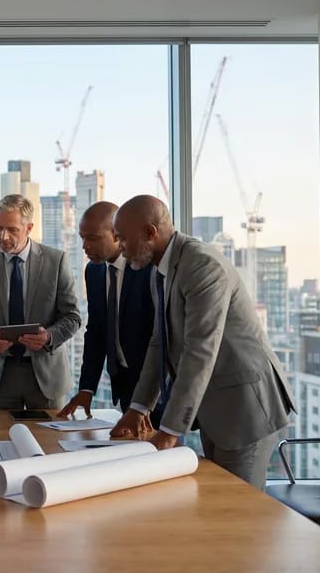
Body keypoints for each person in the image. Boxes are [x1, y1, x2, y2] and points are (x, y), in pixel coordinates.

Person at [109, 195, 296, 489]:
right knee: (219, 501)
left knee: (236, 506)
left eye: (122, 238)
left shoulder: (202, 265)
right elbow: (159, 342)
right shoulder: (160, 269)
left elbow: (199, 351)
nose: (119, 246)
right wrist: (138, 408)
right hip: (216, 408)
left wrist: (169, 431)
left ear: (149, 233)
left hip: (245, 409)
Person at [0, 194, 81, 409]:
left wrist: (49, 337)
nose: (3, 236)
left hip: (47, 375)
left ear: (29, 228)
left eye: (12, 230)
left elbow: (72, 317)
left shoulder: (56, 261)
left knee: (49, 433)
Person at [58, 202, 158, 424]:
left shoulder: (148, 268)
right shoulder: (94, 271)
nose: (85, 246)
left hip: (155, 390)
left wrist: (146, 402)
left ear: (116, 234)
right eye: (82, 238)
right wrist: (87, 388)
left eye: (93, 238)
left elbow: (159, 337)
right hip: (123, 385)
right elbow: (96, 332)